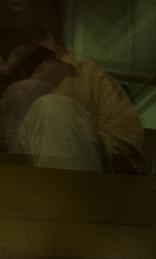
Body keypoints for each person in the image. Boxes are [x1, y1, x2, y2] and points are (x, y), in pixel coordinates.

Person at [0, 16, 143, 173]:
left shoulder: (90, 77)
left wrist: (73, 137)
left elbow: (127, 145)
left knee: (53, 108)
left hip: (86, 178)